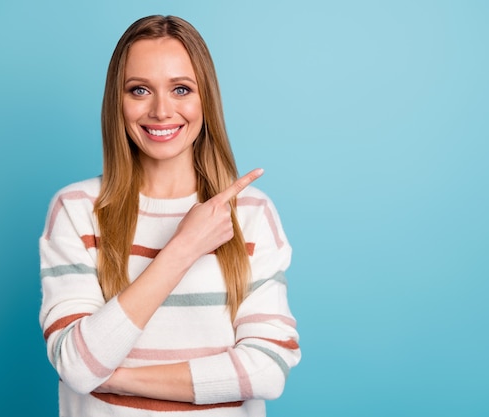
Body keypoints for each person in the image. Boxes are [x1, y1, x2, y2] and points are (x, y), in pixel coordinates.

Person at [39, 15, 300, 416]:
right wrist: (182, 249)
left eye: (181, 89)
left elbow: (267, 371)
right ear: (117, 101)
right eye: (139, 90)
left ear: (205, 100)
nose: (161, 111)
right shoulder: (76, 210)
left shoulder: (251, 213)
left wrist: (114, 378)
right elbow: (76, 362)